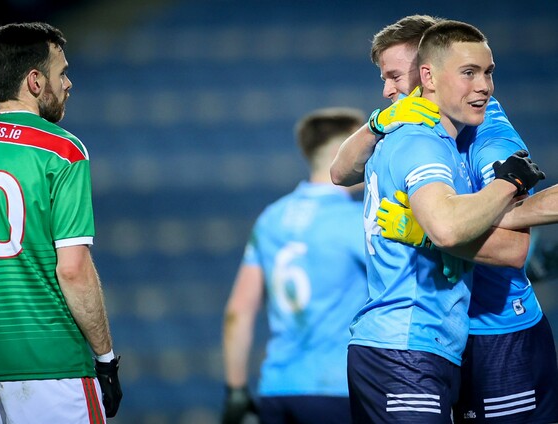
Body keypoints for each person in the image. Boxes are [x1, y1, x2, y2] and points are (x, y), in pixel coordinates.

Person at [331, 14, 558, 423]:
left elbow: (513, 247)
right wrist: (375, 124)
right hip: (436, 332)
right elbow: (339, 172)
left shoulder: (488, 132)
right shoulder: (408, 129)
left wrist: (428, 231)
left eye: (395, 76)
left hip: (496, 327)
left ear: (429, 72)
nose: (388, 90)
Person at [0, 22, 123, 423]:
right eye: (62, 73)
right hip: (53, 369)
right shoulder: (62, 152)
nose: (68, 84)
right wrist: (106, 359)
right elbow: (73, 270)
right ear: (35, 81)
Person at [221, 107, 369, 424]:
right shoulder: (357, 222)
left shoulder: (272, 218)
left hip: (278, 388)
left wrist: (236, 390)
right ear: (340, 151)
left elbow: (238, 312)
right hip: (337, 389)